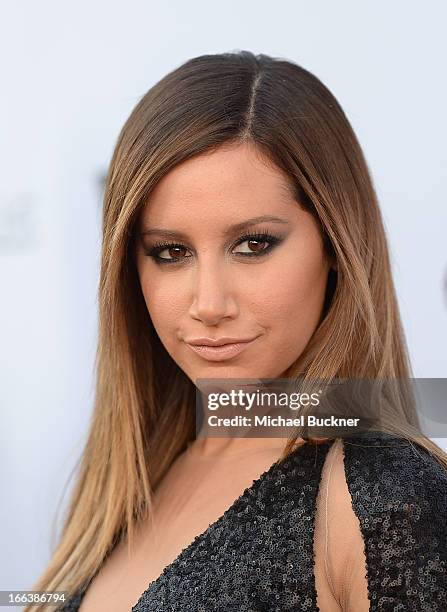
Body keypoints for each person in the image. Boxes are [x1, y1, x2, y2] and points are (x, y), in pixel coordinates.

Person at [26, 51, 447, 611]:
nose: (208, 304)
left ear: (337, 247)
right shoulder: (129, 482)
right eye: (170, 252)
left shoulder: (380, 493)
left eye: (253, 245)